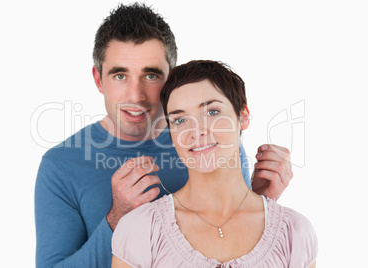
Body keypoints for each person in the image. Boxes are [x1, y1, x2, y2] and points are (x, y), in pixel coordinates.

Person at [35, 3, 293, 267]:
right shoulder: (60, 165)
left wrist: (260, 203)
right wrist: (117, 218)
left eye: (151, 75)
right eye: (120, 75)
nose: (136, 95)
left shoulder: (208, 141)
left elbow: (228, 241)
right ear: (99, 80)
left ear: (171, 78)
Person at [111, 60, 317, 268]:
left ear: (243, 116)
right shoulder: (140, 229)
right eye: (180, 120)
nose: (197, 131)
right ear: (172, 135)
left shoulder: (294, 232)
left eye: (212, 112)